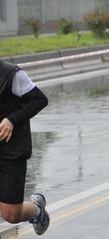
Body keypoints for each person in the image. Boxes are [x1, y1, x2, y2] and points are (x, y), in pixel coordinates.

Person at [0, 60, 50, 235]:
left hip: (10, 151)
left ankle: (37, 210)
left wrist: (12, 119)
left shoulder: (10, 74)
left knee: (11, 215)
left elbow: (40, 99)